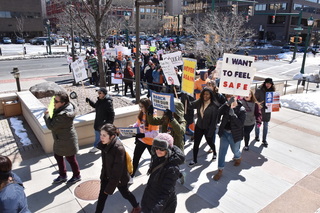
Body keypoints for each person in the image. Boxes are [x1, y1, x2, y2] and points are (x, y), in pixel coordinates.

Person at [95, 124, 141, 213]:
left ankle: (137, 207)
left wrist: (109, 188)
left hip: (120, 178)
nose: (101, 137)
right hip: (106, 176)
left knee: (125, 194)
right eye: (101, 134)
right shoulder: (104, 144)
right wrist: (102, 177)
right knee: (101, 198)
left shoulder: (118, 149)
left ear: (112, 136)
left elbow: (117, 172)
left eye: (104, 135)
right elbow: (105, 165)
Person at [141, 133, 185, 213]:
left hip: (164, 206)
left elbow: (166, 193)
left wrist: (155, 209)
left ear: (168, 149)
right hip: (151, 196)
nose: (158, 151)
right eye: (156, 148)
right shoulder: (158, 157)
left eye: (161, 149)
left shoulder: (172, 168)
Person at [44, 91, 81, 184]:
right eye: (54, 100)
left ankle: (77, 175)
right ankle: (63, 175)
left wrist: (47, 115)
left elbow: (51, 126)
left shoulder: (64, 115)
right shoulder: (63, 107)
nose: (54, 103)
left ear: (63, 103)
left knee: (70, 159)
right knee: (58, 156)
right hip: (60, 139)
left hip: (67, 140)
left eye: (56, 101)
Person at [213, 95, 246, 181]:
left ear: (237, 97)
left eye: (231, 97)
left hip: (234, 135)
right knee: (222, 152)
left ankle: (238, 157)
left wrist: (234, 116)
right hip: (224, 133)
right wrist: (226, 104)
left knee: (235, 150)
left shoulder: (241, 109)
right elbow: (218, 112)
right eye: (228, 97)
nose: (229, 99)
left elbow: (240, 124)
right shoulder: (226, 106)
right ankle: (220, 169)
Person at [185, 88, 219, 167]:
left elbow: (214, 121)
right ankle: (194, 160)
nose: (205, 96)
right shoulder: (200, 101)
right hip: (199, 126)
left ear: (210, 95)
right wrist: (186, 97)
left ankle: (214, 152)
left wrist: (211, 131)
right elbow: (190, 106)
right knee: (196, 144)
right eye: (204, 94)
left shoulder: (214, 106)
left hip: (208, 128)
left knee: (210, 142)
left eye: (207, 94)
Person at [130, 98, 159, 183]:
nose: (140, 108)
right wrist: (133, 126)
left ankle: (155, 176)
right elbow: (138, 124)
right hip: (141, 141)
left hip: (151, 143)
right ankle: (131, 177)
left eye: (142, 106)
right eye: (140, 106)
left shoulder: (153, 116)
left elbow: (155, 133)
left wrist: (143, 135)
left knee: (155, 160)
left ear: (147, 107)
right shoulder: (141, 114)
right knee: (135, 158)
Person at [86, 87, 115, 153]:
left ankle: (97, 146)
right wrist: (89, 101)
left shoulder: (108, 102)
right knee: (98, 134)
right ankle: (99, 146)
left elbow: (111, 114)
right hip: (98, 121)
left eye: (100, 93)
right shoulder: (100, 100)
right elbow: (95, 106)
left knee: (101, 135)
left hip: (103, 123)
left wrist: (109, 124)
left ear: (104, 94)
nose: (98, 94)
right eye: (98, 93)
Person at [254, 78, 276, 147]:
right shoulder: (259, 90)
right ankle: (257, 136)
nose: (268, 85)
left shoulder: (272, 91)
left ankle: (264, 140)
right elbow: (255, 100)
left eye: (269, 84)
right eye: (267, 83)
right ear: (264, 83)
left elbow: (274, 101)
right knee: (258, 124)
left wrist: (276, 105)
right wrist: (261, 105)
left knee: (266, 126)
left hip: (267, 111)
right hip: (260, 111)